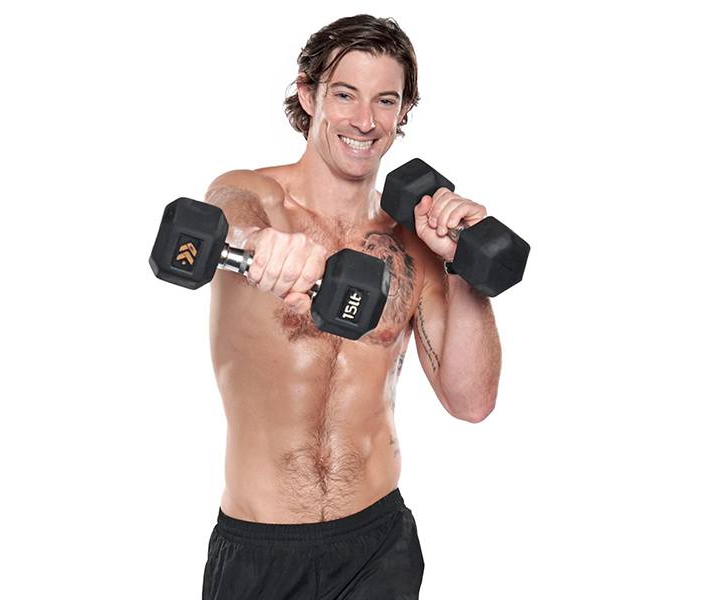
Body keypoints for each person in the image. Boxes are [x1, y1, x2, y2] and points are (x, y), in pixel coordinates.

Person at [200, 14, 502, 599]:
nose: (365, 121)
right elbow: (226, 213)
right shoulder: (258, 196)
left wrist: (464, 264)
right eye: (344, 95)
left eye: (385, 100)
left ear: (403, 112)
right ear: (309, 95)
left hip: (377, 543)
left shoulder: (411, 244)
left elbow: (472, 402)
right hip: (262, 549)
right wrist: (262, 245)